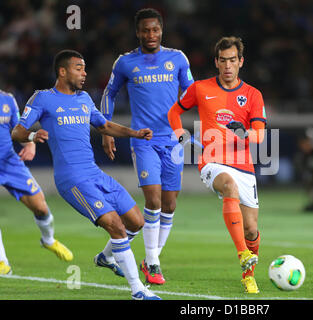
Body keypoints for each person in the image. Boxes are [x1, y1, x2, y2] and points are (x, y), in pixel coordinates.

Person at [11, 49, 160, 300]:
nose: (84, 73)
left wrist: (135, 133)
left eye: (84, 68)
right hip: (72, 179)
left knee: (137, 221)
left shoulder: (85, 100)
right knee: (116, 226)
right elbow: (17, 131)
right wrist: (34, 136)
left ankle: (106, 257)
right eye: (78, 68)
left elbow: (105, 126)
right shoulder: (43, 99)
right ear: (62, 71)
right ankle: (138, 291)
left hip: (94, 172)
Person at [100, 8, 194, 285]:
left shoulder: (177, 58)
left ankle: (136, 256)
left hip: (172, 140)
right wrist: (106, 130)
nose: (150, 35)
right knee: (152, 200)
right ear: (137, 32)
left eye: (155, 29)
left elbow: (191, 91)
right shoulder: (126, 62)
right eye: (145, 30)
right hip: (145, 139)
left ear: (161, 30)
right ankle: (152, 262)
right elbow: (109, 93)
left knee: (170, 204)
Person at [167, 36, 266, 294]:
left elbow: (260, 135)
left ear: (241, 62)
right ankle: (242, 252)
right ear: (216, 62)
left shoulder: (253, 95)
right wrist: (179, 132)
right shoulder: (200, 88)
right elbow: (174, 112)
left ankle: (248, 276)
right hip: (212, 161)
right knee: (229, 187)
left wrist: (245, 133)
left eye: (232, 60)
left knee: (252, 229)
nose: (227, 66)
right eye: (223, 60)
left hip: (243, 164)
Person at [0, 90, 73, 275]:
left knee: (40, 206)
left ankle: (48, 240)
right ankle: (2, 262)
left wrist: (30, 143)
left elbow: (19, 129)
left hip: (9, 162)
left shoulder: (8, 99)